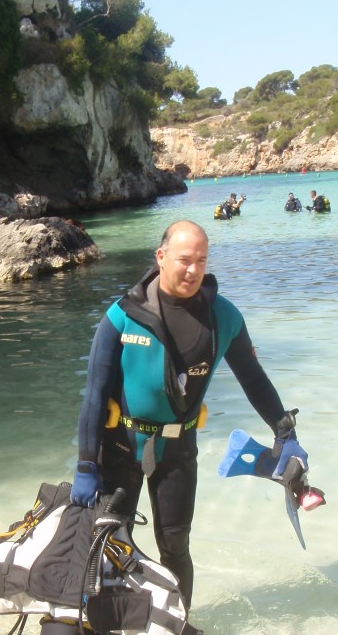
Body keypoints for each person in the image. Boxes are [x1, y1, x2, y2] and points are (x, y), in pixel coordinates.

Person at [71, 220, 309, 607]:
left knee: (176, 546)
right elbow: (94, 395)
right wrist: (86, 464)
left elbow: (253, 378)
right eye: (184, 259)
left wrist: (283, 430)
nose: (193, 269)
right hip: (121, 446)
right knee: (111, 542)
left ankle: (175, 633)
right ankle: (104, 628)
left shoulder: (223, 317)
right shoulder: (123, 315)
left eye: (201, 260)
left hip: (178, 449)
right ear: (161, 257)